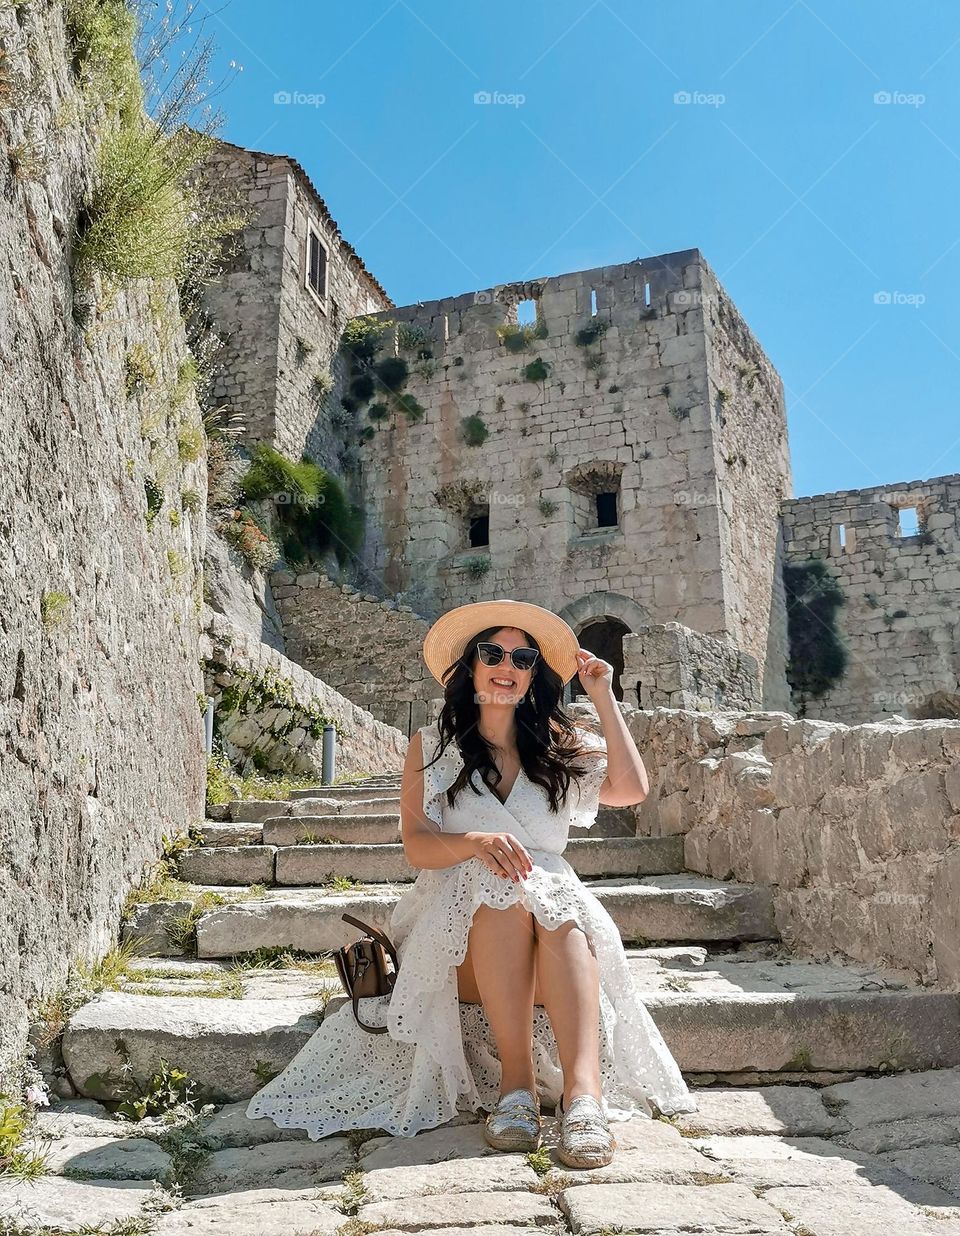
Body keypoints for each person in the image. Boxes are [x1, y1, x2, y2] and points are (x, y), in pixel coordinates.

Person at [245, 599, 696, 1167]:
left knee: (556, 901)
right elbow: (416, 842)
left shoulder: (560, 747)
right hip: (460, 933)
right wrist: (474, 844)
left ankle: (585, 1098)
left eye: (523, 656)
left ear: (534, 674)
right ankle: (516, 1088)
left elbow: (631, 790)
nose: (507, 664)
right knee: (499, 891)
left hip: (555, 931)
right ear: (472, 665)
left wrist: (603, 695)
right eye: (493, 651)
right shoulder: (433, 747)